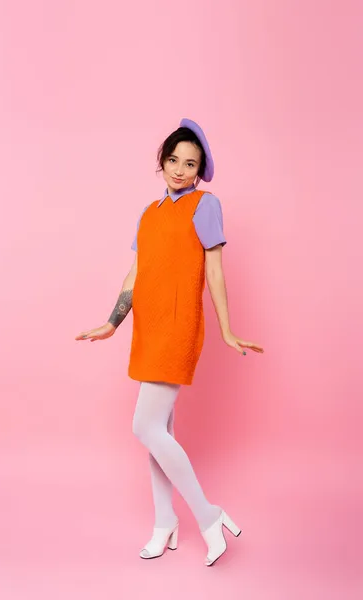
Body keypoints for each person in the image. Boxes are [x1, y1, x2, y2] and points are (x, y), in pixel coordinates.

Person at [75, 118, 264, 566]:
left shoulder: (205, 204)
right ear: (161, 162)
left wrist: (226, 329)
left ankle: (208, 514)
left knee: (145, 427)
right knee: (159, 433)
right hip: (148, 327)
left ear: (200, 171)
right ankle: (164, 522)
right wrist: (112, 322)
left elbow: (214, 270)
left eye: (191, 164)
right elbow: (136, 274)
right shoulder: (149, 213)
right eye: (174, 160)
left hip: (178, 327)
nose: (180, 169)